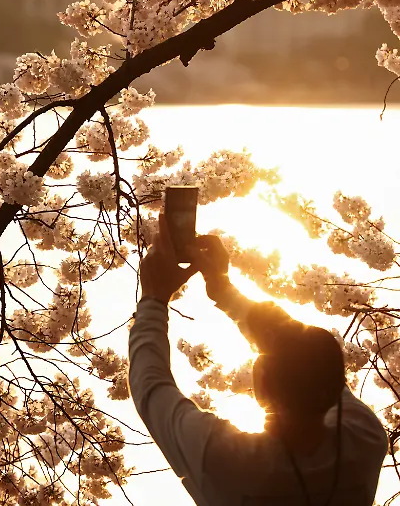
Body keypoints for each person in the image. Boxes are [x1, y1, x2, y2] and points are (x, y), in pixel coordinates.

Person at [129, 213, 388, 505]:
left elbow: (151, 387)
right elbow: (310, 360)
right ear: (337, 382)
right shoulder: (365, 442)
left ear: (262, 384)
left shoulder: (229, 462)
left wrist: (155, 296)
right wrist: (223, 290)